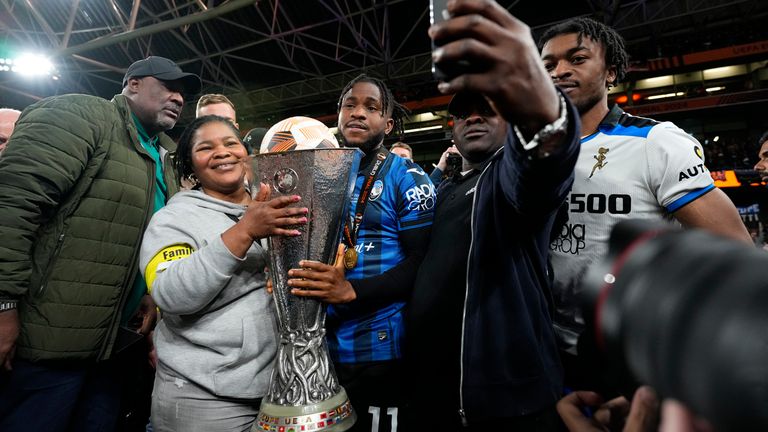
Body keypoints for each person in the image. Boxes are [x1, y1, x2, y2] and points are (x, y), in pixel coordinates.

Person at [539, 18, 751, 386]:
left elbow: (735, 254)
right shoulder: (532, 154)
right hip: (547, 348)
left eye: (577, 58)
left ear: (611, 72)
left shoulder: (656, 141)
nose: (560, 71)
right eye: (548, 65)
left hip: (631, 353)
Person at [0, 55, 201, 431]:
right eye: (168, 85)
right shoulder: (82, 115)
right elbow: (12, 209)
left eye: (183, 94)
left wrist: (147, 292)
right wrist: (3, 303)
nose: (177, 97)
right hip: (47, 346)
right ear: (133, 84)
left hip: (113, 348)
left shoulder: (164, 156)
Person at [405, 0, 581, 429]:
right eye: (462, 113)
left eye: (487, 107)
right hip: (435, 392)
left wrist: (530, 91)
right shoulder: (447, 186)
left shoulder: (506, 178)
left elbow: (543, 163)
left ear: (508, 119)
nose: (473, 117)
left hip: (504, 402)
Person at [284, 73, 435, 432]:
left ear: (388, 122)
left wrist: (352, 291)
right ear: (337, 116)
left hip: (382, 348)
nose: (358, 113)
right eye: (349, 105)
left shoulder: (408, 178)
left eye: (371, 107)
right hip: (322, 347)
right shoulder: (319, 176)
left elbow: (420, 262)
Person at [139, 115, 308, 431]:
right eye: (206, 147)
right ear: (191, 163)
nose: (222, 152)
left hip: (281, 385)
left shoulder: (273, 204)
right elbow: (170, 295)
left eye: (230, 143)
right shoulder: (173, 219)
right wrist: (244, 231)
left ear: (245, 153)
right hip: (202, 396)